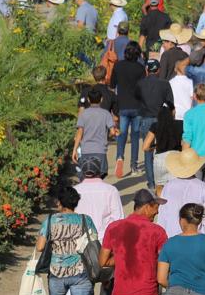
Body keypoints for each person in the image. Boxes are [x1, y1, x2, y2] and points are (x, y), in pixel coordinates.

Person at [37, 187, 97, 295]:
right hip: (80, 272)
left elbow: (40, 247)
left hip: (56, 272)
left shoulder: (50, 220)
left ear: (60, 202)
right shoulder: (85, 220)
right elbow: (93, 242)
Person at [159, 147, 205, 238]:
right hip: (196, 237)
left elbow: (162, 217)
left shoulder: (168, 186)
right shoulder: (204, 188)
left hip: (171, 236)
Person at [136, 62, 175, 189]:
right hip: (161, 119)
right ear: (158, 70)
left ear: (147, 70)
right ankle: (163, 181)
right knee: (163, 150)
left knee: (148, 152)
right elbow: (170, 105)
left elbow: (136, 100)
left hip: (146, 119)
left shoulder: (140, 83)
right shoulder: (164, 84)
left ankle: (152, 183)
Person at [112, 43, 148, 178]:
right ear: (138, 54)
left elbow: (112, 85)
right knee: (134, 137)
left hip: (122, 105)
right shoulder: (140, 68)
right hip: (137, 106)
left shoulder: (118, 66)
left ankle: (120, 157)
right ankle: (134, 165)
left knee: (121, 134)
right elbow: (143, 88)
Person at [73, 88, 117, 177]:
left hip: (86, 151)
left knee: (86, 175)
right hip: (100, 150)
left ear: (88, 100)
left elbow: (79, 133)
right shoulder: (106, 113)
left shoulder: (84, 114)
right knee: (100, 175)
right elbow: (113, 132)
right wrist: (108, 135)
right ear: (101, 99)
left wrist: (75, 149)